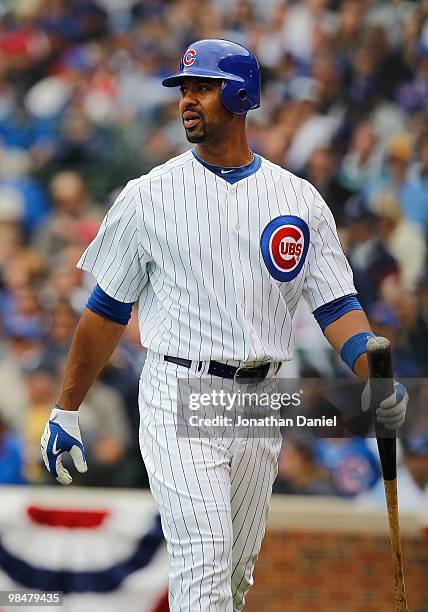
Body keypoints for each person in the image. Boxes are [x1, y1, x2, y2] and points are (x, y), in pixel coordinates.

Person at [39, 40, 408, 611]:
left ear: (240, 94)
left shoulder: (298, 198)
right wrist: (66, 407)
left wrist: (372, 372)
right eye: (184, 88)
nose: (187, 99)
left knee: (233, 582)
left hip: (261, 400)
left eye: (202, 87)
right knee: (204, 567)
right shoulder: (147, 196)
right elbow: (106, 310)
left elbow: (337, 308)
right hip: (178, 389)